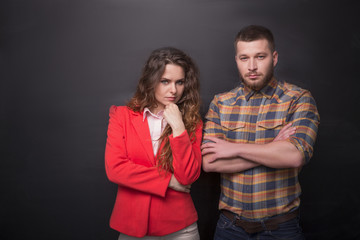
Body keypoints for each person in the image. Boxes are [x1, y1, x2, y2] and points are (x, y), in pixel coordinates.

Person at [201, 25, 320, 239]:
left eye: (260, 56)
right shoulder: (221, 103)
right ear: (236, 60)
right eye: (244, 58)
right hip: (230, 228)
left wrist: (232, 148)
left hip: (281, 228)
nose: (252, 66)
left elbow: (295, 156)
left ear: (274, 58)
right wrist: (272, 148)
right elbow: (210, 162)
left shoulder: (298, 98)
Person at [105, 47, 202, 239]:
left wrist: (178, 128)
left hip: (180, 228)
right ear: (151, 81)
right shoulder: (121, 116)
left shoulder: (192, 122)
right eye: (165, 81)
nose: (173, 90)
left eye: (179, 82)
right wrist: (169, 181)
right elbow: (115, 168)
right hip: (132, 226)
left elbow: (188, 177)